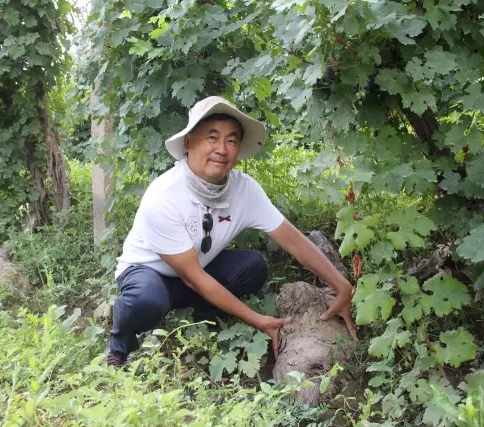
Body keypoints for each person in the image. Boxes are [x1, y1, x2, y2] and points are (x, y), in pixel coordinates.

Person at [104, 95, 357, 367]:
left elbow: (292, 239)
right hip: (148, 270)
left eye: (232, 140)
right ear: (188, 143)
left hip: (196, 269)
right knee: (146, 301)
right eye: (212, 138)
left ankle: (201, 312)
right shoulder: (164, 197)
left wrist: (341, 285)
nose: (222, 149)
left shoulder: (243, 189)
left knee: (253, 267)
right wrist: (260, 321)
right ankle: (120, 341)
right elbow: (194, 279)